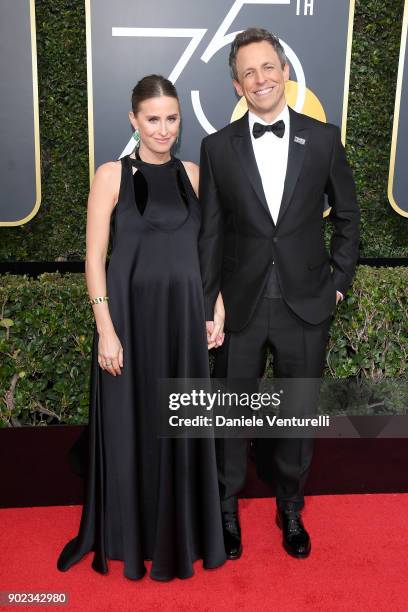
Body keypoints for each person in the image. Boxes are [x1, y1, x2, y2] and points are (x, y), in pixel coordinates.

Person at [57, 74, 227, 581]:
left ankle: (182, 534)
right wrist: (105, 328)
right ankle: (125, 535)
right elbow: (93, 258)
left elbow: (209, 253)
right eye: (152, 119)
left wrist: (215, 307)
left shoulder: (194, 174)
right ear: (133, 120)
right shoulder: (111, 175)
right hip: (128, 325)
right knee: (131, 428)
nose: (163, 129)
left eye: (171, 118)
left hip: (183, 326)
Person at [199, 28, 360, 560]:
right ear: (237, 84)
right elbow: (212, 233)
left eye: (268, 67)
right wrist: (209, 302)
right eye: (249, 72)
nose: (261, 79)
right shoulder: (217, 147)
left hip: (306, 304)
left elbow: (349, 220)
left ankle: (290, 507)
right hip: (240, 308)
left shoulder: (324, 138)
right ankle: (226, 509)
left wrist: (336, 284)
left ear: (285, 71)